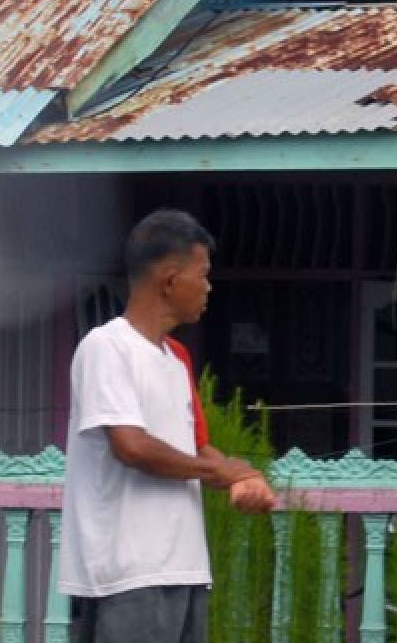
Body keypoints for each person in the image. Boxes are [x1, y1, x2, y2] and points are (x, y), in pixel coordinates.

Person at [57, 209, 276, 643]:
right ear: (170, 281)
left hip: (184, 566)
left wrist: (244, 476)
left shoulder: (176, 359)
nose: (209, 287)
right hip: (127, 573)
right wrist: (220, 471)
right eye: (204, 274)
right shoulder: (106, 347)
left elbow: (199, 449)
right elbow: (131, 447)